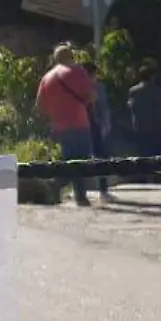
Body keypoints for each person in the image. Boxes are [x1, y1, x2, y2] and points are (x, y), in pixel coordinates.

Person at [35, 44, 98, 207]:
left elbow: (40, 105)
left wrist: (55, 113)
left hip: (59, 125)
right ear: (71, 56)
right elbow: (90, 96)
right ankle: (56, 184)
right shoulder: (77, 71)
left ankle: (79, 196)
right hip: (79, 122)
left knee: (70, 159)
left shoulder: (47, 78)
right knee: (81, 160)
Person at [80, 59, 116, 203]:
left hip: (92, 125)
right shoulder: (84, 88)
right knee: (94, 157)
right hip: (86, 125)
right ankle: (96, 191)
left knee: (100, 157)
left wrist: (105, 125)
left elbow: (103, 108)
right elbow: (104, 109)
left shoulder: (97, 87)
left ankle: (102, 190)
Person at [128, 67, 161, 160]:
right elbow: (160, 110)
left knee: (142, 152)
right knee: (155, 154)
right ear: (152, 77)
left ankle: (143, 172)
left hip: (140, 126)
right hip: (155, 126)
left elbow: (132, 107)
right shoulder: (157, 91)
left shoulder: (133, 91)